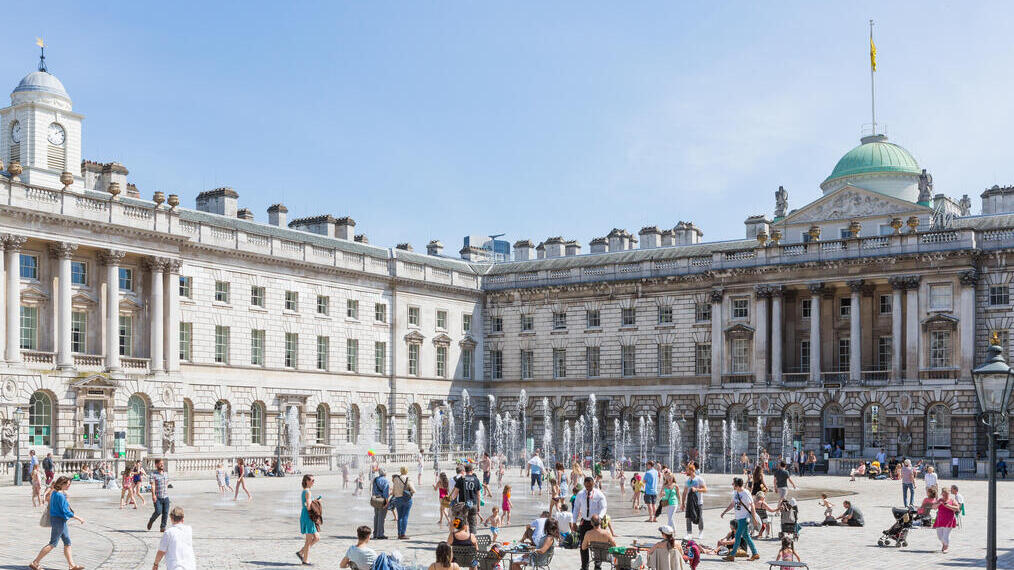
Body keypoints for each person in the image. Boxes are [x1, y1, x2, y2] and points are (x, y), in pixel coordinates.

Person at [29, 476, 85, 570]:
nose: (69, 486)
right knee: (53, 543)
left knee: (67, 542)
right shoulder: (60, 495)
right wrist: (79, 518)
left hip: (58, 520)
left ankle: (71, 565)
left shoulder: (54, 492)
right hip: (59, 521)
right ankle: (35, 562)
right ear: (62, 484)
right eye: (67, 484)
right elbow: (65, 511)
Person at [719, 477, 759, 561]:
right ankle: (755, 553)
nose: (732, 485)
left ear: (737, 485)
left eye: (733, 484)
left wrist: (754, 519)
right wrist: (724, 512)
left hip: (744, 518)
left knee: (737, 536)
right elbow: (733, 504)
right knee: (746, 536)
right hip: (738, 518)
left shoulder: (746, 493)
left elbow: (752, 506)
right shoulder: (735, 492)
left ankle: (732, 556)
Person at [574, 476, 608, 570]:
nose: (588, 487)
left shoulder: (599, 494)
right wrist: (573, 521)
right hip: (585, 521)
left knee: (597, 544)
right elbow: (576, 508)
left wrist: (599, 517)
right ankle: (584, 566)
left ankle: (597, 565)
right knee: (583, 545)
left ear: (593, 484)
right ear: (584, 484)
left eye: (590, 485)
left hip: (595, 522)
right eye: (587, 485)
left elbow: (604, 507)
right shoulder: (580, 494)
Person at [448, 463, 482, 533]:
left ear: (465, 470)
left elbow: (455, 493)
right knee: (472, 524)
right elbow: (479, 495)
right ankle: (472, 538)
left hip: (463, 505)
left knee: (459, 521)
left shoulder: (461, 479)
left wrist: (452, 502)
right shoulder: (476, 479)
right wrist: (478, 506)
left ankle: (458, 536)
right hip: (473, 504)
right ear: (472, 470)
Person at [680, 462, 707, 540]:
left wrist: (697, 489)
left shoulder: (699, 479)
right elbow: (684, 492)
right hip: (689, 502)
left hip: (698, 502)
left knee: (699, 517)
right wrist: (682, 503)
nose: (686, 472)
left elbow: (705, 489)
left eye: (687, 470)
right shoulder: (687, 480)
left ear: (691, 470)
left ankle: (701, 531)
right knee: (688, 517)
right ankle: (689, 533)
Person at [297, 474, 320, 565]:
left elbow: (306, 504)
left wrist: (314, 501)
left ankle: (301, 552)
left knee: (317, 538)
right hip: (308, 516)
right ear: (307, 481)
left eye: (314, 480)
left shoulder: (306, 491)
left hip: (306, 515)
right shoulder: (308, 492)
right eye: (312, 480)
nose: (313, 482)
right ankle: (305, 560)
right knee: (309, 539)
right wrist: (317, 502)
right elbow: (309, 507)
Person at [146, 459, 171, 533]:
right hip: (158, 497)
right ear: (156, 465)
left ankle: (162, 527)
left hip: (165, 497)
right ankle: (151, 520)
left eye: (162, 464)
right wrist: (153, 495)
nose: (162, 465)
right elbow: (152, 485)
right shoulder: (153, 474)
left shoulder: (166, 474)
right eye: (160, 464)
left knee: (165, 512)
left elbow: (166, 483)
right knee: (158, 511)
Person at [391, 465, 416, 539]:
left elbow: (393, 491)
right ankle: (403, 534)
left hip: (398, 499)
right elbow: (414, 490)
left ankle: (399, 533)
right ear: (407, 471)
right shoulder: (408, 479)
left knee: (400, 516)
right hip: (406, 499)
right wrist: (410, 492)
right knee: (405, 516)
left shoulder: (396, 479)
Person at [933, 488, 960, 552]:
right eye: (944, 494)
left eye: (946, 494)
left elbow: (957, 508)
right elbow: (934, 507)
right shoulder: (940, 500)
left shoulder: (952, 500)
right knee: (940, 536)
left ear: (949, 494)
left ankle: (946, 548)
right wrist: (938, 504)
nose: (945, 496)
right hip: (940, 520)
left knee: (945, 535)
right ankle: (945, 544)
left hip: (949, 520)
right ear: (942, 494)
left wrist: (948, 506)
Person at [371, 468, 391, 540]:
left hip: (375, 499)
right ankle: (380, 534)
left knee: (376, 516)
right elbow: (386, 493)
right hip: (382, 500)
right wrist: (387, 502)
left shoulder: (375, 479)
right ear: (385, 473)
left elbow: (373, 490)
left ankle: (375, 533)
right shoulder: (385, 481)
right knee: (381, 517)